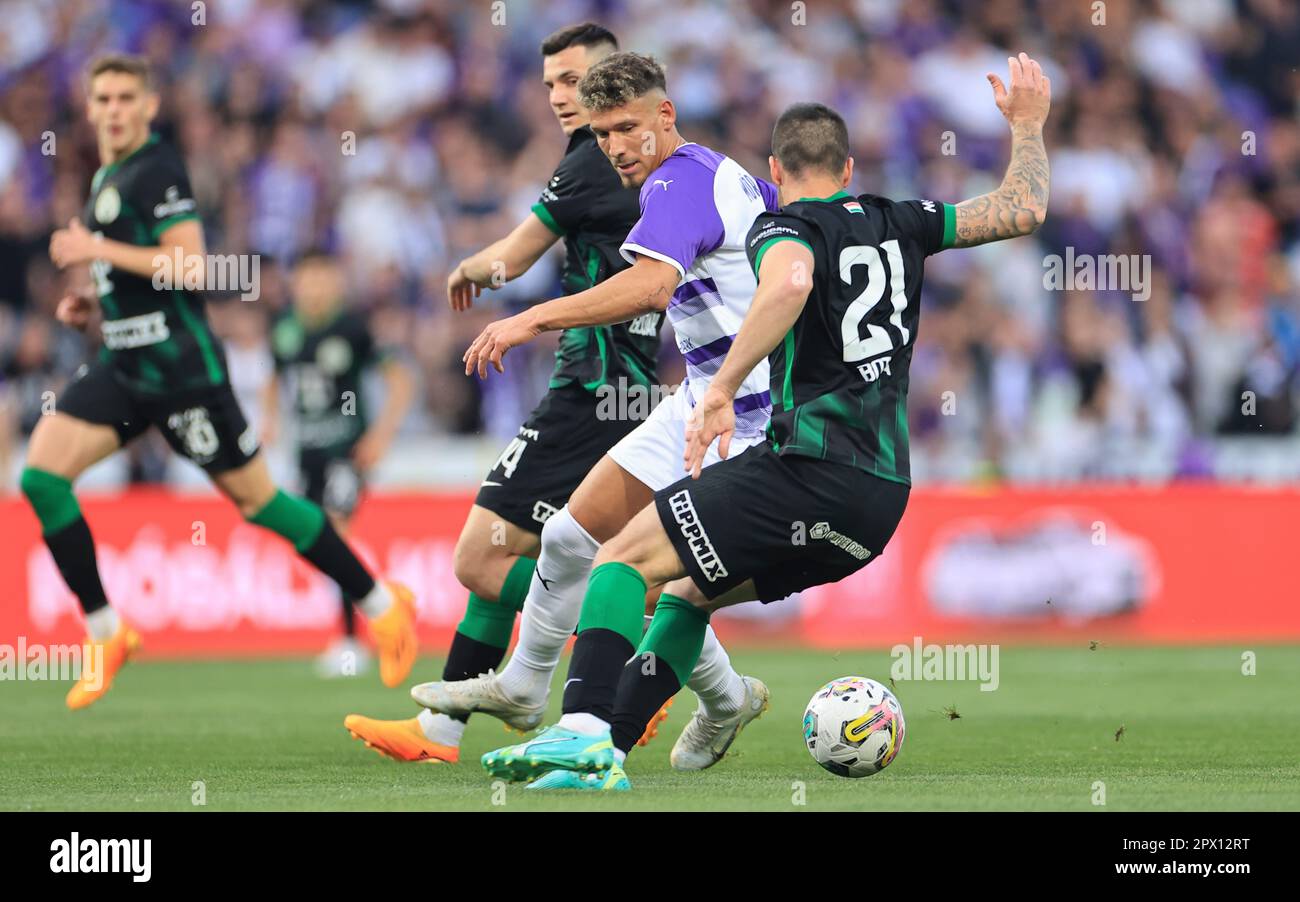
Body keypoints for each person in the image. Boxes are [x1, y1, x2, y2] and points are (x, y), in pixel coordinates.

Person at [478, 54, 1052, 789]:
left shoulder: (782, 227)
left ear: (774, 171)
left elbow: (791, 281)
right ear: (847, 166)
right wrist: (1029, 125)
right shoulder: (903, 221)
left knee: (619, 559)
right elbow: (1022, 208)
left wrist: (719, 387)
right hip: (877, 504)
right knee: (686, 595)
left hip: (803, 470)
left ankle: (582, 727)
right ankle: (608, 757)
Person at [412, 50, 784, 779]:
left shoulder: (677, 182)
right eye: (604, 132)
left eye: (628, 128)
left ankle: (688, 711)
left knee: (665, 589)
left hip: (750, 422)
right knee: (567, 535)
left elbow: (648, 288)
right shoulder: (715, 173)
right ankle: (523, 687)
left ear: (664, 117)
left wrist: (530, 319)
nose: (615, 147)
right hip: (699, 397)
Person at [21, 54, 417, 710]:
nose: (115, 109)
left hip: (183, 375)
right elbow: (136, 279)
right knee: (40, 476)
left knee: (260, 503)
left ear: (148, 106)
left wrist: (96, 252)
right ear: (90, 109)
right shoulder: (105, 178)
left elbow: (191, 268)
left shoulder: (159, 169)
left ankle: (380, 601)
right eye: (104, 99)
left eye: (126, 97)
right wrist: (93, 303)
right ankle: (106, 631)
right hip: (124, 365)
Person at [264, 251, 413, 677]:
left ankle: (351, 643)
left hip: (346, 452)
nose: (314, 287)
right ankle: (373, 612)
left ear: (336, 283)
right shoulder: (286, 329)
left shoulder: (353, 328)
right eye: (307, 278)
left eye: (322, 278)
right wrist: (270, 421)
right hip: (306, 453)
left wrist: (379, 436)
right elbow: (274, 379)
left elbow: (400, 379)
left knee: (336, 533)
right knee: (314, 540)